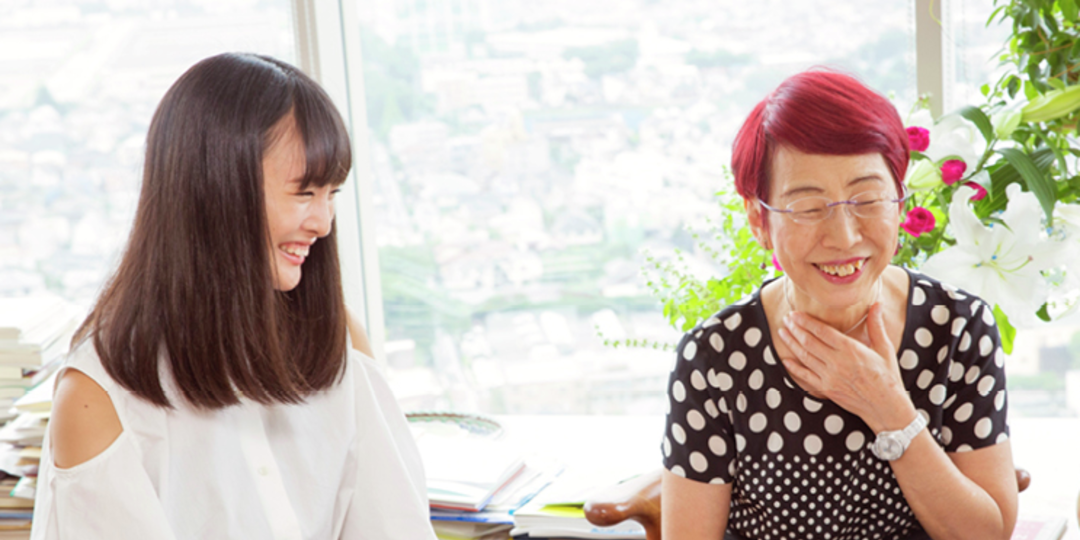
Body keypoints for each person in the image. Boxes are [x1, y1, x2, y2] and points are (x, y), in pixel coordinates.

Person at [32, 53, 437, 540]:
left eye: (331, 194)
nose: (323, 223)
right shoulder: (99, 397)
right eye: (304, 193)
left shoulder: (335, 338)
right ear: (214, 189)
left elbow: (395, 526)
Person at [661, 70, 1018, 540]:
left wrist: (888, 408)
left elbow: (987, 535)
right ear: (758, 221)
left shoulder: (957, 328)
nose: (845, 237)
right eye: (809, 208)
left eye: (867, 198)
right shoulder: (715, 357)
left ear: (899, 200)